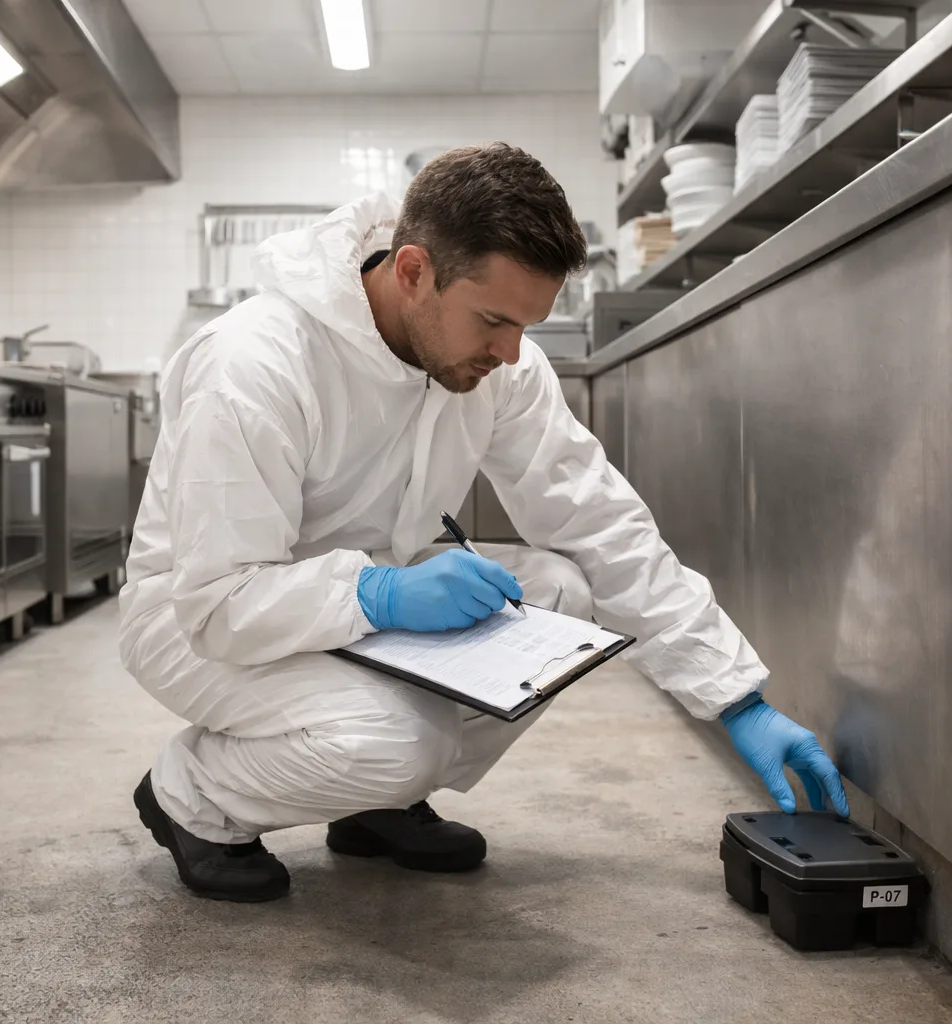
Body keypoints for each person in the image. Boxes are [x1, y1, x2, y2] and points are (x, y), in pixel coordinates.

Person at [117, 143, 850, 903]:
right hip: (199, 618)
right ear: (412, 272)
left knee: (561, 591)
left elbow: (598, 520)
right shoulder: (256, 363)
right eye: (494, 321)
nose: (510, 353)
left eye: (526, 326)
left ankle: (373, 806)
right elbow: (218, 600)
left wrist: (733, 696)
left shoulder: (496, 364)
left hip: (355, 597)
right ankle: (193, 797)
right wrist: (379, 595)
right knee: (400, 743)